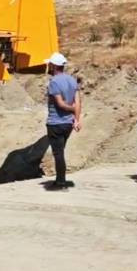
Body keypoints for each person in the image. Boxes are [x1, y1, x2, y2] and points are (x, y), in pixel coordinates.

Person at [45, 52, 81, 190]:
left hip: (55, 122)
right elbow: (78, 101)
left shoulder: (53, 82)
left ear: (54, 66)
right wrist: (76, 119)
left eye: (49, 64)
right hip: (68, 124)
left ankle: (61, 181)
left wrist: (71, 110)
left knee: (58, 153)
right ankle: (61, 179)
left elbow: (60, 104)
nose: (48, 66)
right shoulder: (72, 80)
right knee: (61, 151)